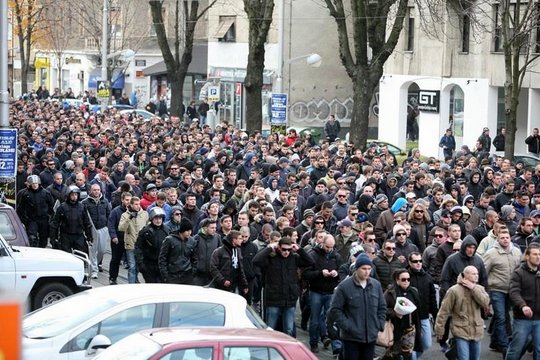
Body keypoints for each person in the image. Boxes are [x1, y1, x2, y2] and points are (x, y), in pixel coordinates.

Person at [327, 254, 387, 360]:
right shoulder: (344, 286)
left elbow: (382, 307)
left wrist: (378, 324)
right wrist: (348, 326)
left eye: (369, 269)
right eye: (364, 268)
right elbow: (335, 310)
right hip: (351, 338)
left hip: (370, 336)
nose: (367, 271)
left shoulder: (376, 285)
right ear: (356, 269)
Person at [253, 237, 314, 336]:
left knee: (289, 330)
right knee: (270, 329)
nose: (286, 252)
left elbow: (310, 262)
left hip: (289, 299)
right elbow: (256, 261)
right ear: (279, 248)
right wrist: (269, 248)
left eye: (289, 249)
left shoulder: (294, 258)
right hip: (274, 298)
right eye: (284, 249)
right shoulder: (271, 257)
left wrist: (299, 249)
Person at [435, 265, 490, 360]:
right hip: (460, 330)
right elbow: (444, 311)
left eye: (477, 273)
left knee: (475, 358)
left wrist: (473, 289)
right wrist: (440, 330)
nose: (476, 276)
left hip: (477, 330)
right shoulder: (454, 290)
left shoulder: (480, 288)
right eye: (473, 274)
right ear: (465, 275)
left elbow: (485, 302)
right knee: (464, 358)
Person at [482, 229, 522, 355]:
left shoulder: (516, 252)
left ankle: (494, 341)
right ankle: (504, 346)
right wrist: (485, 293)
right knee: (501, 317)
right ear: (497, 239)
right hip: (496, 289)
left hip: (512, 290)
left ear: (510, 238)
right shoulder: (491, 254)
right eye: (502, 237)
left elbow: (520, 271)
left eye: (507, 237)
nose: (505, 239)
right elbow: (484, 273)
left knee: (504, 315)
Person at [303, 234, 343, 354]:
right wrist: (320, 273)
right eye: (327, 247)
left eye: (331, 247)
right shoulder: (313, 254)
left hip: (330, 291)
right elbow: (306, 274)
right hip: (316, 291)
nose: (329, 249)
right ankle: (314, 343)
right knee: (315, 320)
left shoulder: (336, 256)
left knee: (330, 319)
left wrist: (337, 274)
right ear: (321, 243)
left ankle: (332, 343)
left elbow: (342, 271)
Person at [506, 243, 540, 360]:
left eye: (539, 254)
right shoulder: (519, 273)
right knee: (516, 348)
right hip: (522, 318)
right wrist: (523, 306)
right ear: (527, 256)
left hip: (539, 318)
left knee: (539, 349)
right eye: (535, 254)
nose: (538, 257)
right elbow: (514, 292)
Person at [383, 269, 422, 360]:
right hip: (394, 328)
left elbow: (418, 310)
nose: (406, 282)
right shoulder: (390, 293)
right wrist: (394, 313)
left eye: (408, 279)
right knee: (393, 354)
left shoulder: (413, 292)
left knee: (408, 354)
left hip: (409, 328)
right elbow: (382, 309)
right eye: (403, 279)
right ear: (397, 280)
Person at [407, 252, 438, 356]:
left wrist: (435, 316)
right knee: (411, 346)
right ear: (410, 263)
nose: (418, 263)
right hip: (410, 317)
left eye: (420, 261)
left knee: (427, 343)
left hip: (424, 316)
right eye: (415, 261)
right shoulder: (406, 277)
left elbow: (432, 298)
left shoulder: (427, 277)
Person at [49, 185, 94, 254]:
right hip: (66, 235)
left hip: (78, 235)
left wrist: (89, 236)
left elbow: (86, 222)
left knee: (81, 254)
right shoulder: (62, 207)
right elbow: (55, 223)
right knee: (65, 255)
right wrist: (53, 238)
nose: (74, 196)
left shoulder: (82, 207)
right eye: (72, 195)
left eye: (76, 194)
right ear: (68, 195)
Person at [16, 175, 55, 248]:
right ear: (30, 184)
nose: (34, 185)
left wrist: (50, 216)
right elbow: (20, 208)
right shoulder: (25, 194)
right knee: (32, 237)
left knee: (43, 238)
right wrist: (23, 219)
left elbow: (51, 206)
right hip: (32, 219)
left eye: (36, 183)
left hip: (43, 219)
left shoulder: (46, 193)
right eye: (33, 183)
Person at [82, 184, 111, 279]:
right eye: (94, 190)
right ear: (91, 190)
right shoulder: (85, 202)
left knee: (102, 250)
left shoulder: (105, 201)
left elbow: (108, 214)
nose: (96, 192)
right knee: (92, 251)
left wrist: (107, 226)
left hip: (103, 228)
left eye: (98, 190)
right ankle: (94, 270)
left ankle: (97, 264)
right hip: (92, 229)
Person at [118, 196, 149, 283]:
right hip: (130, 244)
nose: (137, 206)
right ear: (131, 205)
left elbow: (148, 226)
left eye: (139, 204)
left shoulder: (145, 214)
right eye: (135, 204)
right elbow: (121, 228)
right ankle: (131, 284)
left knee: (138, 266)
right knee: (132, 266)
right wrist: (129, 218)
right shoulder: (125, 215)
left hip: (141, 245)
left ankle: (135, 280)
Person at [135, 207, 170, 283]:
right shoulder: (145, 231)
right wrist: (141, 264)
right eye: (156, 218)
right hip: (149, 265)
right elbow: (138, 247)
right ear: (152, 219)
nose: (158, 220)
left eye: (160, 218)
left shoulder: (167, 230)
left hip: (162, 264)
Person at [159, 219, 197, 284]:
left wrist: (193, 271)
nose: (189, 233)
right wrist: (166, 276)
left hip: (187, 275)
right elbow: (162, 258)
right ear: (182, 230)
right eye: (187, 231)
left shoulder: (192, 241)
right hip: (173, 275)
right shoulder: (169, 240)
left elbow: (194, 258)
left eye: (190, 230)